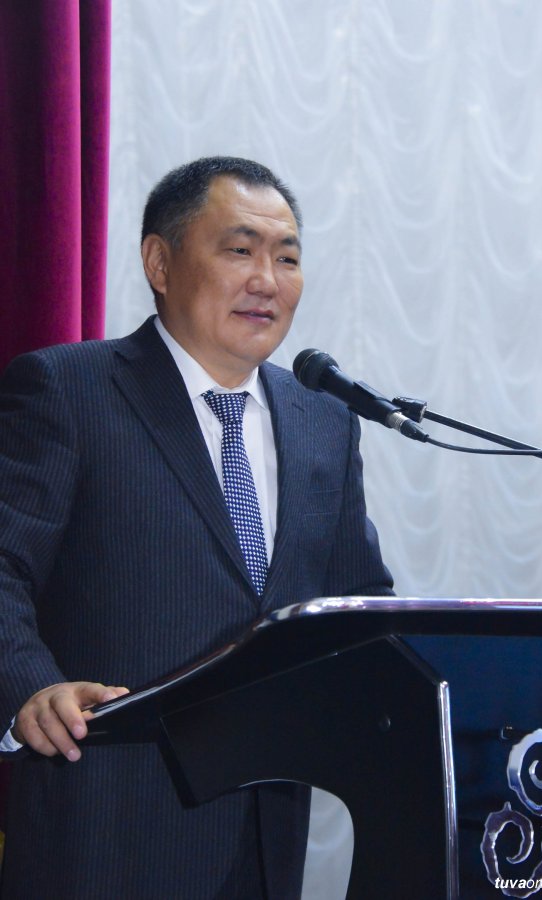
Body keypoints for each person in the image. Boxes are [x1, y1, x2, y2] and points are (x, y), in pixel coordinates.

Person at [0, 156, 393, 899]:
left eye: (287, 258)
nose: (267, 280)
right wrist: (30, 687)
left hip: (267, 835)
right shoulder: (68, 391)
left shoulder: (324, 422)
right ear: (159, 262)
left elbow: (358, 604)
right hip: (107, 828)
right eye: (241, 250)